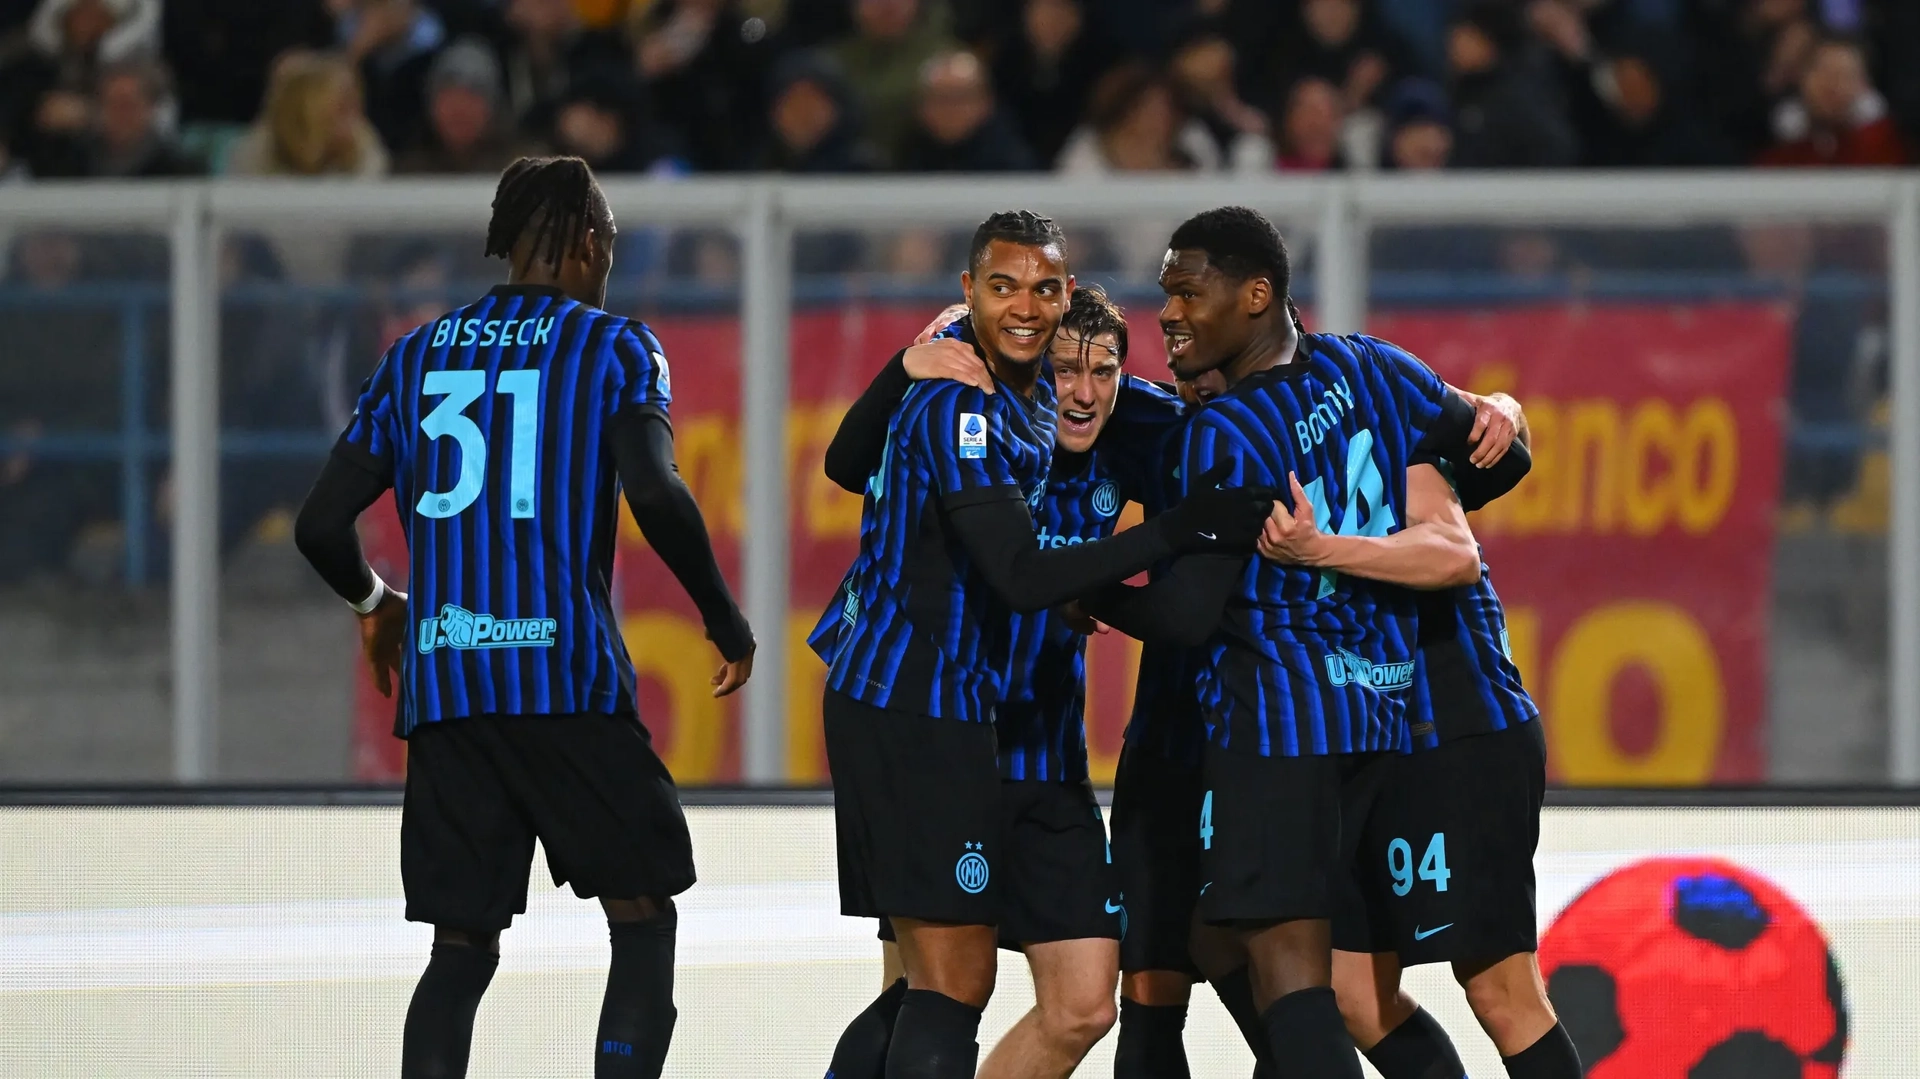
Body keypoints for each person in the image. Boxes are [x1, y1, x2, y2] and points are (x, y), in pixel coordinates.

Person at [292, 155, 754, 1079]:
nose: (609, 261)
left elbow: (319, 525)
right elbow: (656, 492)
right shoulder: (617, 347)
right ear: (587, 240)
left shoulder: (415, 354)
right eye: (609, 243)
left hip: (448, 688)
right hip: (563, 679)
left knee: (459, 950)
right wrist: (722, 615)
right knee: (642, 917)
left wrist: (378, 604)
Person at [806, 210, 1273, 1079]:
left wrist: (1471, 411)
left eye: (1102, 370)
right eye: (1065, 369)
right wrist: (901, 365)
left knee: (1083, 997)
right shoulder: (962, 392)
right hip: (922, 716)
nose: (1082, 392)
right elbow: (860, 472)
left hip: (1037, 748)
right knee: (929, 984)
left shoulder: (1122, 418)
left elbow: (1246, 412)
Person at [1077, 206, 1528, 1079]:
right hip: (1377, 717)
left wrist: (1080, 588)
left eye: (1187, 292)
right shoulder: (1373, 366)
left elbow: (1186, 617)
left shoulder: (1222, 433)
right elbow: (1500, 458)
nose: (1167, 313)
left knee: (1287, 971)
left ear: (1255, 296)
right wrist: (1503, 411)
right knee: (1271, 960)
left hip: (1277, 721)